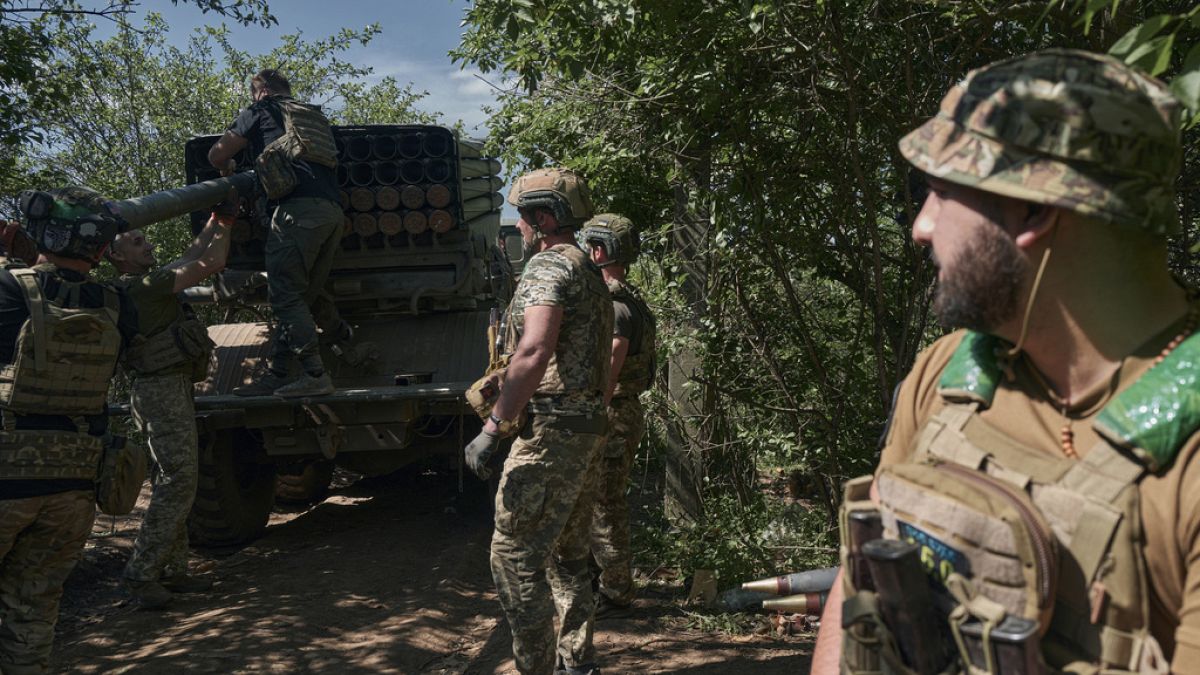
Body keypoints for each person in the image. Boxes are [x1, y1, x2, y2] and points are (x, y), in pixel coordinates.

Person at [812, 49, 1199, 673]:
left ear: (1033, 210)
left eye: (940, 192)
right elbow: (861, 584)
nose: (921, 225)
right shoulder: (949, 373)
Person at [463, 168, 613, 675]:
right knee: (569, 558)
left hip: (551, 433)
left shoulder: (549, 267)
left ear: (543, 217)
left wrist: (494, 428)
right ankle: (577, 662)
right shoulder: (591, 273)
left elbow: (534, 348)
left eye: (522, 217)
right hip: (586, 428)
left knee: (514, 558)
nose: (519, 227)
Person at [0, 187, 138, 674]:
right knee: (34, 611)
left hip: (5, 476)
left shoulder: (8, 288)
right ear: (102, 249)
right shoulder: (116, 303)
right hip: (74, 485)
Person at [105, 210, 234, 608]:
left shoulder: (141, 284)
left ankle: (174, 570)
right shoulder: (146, 286)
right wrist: (227, 225)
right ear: (116, 254)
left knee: (171, 479)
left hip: (161, 388)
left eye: (146, 240)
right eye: (137, 242)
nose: (148, 245)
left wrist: (214, 219)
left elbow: (188, 257)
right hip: (161, 389)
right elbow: (211, 262)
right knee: (179, 481)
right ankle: (141, 574)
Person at [207, 67, 345, 398]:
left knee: (284, 296)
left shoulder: (261, 109)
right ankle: (279, 372)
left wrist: (227, 170)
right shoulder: (310, 116)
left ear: (262, 91)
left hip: (296, 214)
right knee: (301, 296)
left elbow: (217, 154)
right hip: (331, 213)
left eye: (253, 94)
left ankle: (315, 374)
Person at [580, 214, 657, 614]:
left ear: (598, 250)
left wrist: (592, 411)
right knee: (600, 500)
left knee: (605, 504)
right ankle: (605, 583)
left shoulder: (615, 306)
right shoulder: (629, 298)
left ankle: (616, 590)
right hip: (621, 411)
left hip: (613, 413)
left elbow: (610, 364)